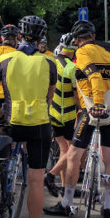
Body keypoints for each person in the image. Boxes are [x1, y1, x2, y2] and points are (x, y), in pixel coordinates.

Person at [0, 14, 56, 218]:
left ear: (19, 35)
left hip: (12, 122)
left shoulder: (4, 59)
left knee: (1, 160)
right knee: (36, 179)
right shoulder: (49, 63)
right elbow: (49, 98)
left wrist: (1, 116)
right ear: (41, 38)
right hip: (39, 125)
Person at [44, 20, 110, 218]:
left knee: (73, 156)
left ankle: (66, 203)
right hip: (109, 113)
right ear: (93, 36)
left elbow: (94, 77)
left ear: (76, 40)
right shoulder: (106, 53)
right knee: (108, 157)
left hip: (91, 110)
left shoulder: (82, 53)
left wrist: (97, 104)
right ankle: (108, 205)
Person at [45, 33, 80, 197]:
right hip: (68, 115)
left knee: (63, 149)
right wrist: (83, 108)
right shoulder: (72, 68)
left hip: (53, 113)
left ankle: (65, 187)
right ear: (73, 50)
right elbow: (76, 96)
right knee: (73, 151)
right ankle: (50, 175)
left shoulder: (51, 63)